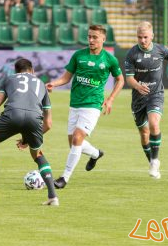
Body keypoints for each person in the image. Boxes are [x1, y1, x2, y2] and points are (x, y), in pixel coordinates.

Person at [45, 25, 125, 189]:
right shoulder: (78, 55)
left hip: (93, 105)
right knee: (74, 144)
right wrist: (54, 83)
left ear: (103, 39)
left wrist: (110, 99)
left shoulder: (109, 59)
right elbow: (66, 77)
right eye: (89, 36)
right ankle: (96, 154)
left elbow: (120, 80)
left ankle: (64, 178)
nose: (91, 40)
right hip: (75, 104)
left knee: (77, 138)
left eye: (95, 37)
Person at [0, 58, 59, 206]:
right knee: (37, 154)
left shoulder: (10, 79)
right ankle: (53, 196)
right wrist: (27, 140)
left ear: (16, 71)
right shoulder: (41, 84)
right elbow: (49, 124)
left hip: (11, 115)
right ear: (32, 70)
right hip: (34, 119)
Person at [124, 21, 168, 179]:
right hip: (138, 98)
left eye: (145, 37)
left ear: (152, 36)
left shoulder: (161, 49)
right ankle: (153, 161)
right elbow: (129, 79)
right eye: (140, 37)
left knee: (154, 124)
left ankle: (154, 162)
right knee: (144, 133)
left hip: (155, 94)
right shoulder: (132, 54)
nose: (143, 40)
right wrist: (138, 86)